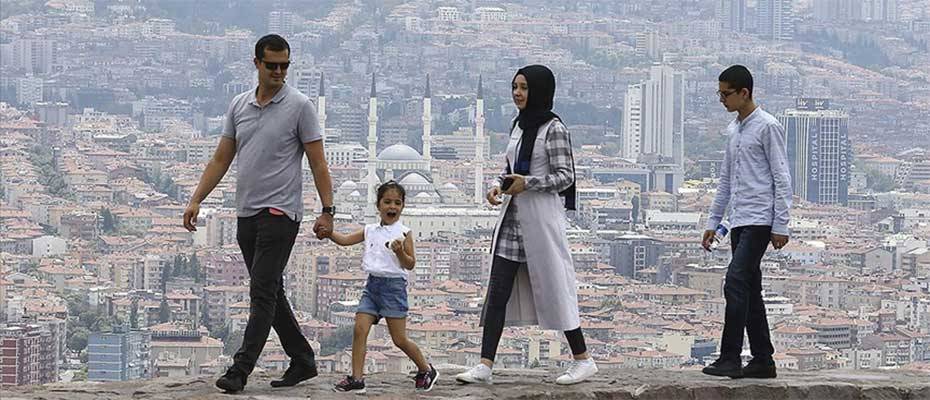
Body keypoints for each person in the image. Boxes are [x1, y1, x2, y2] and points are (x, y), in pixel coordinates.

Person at [182, 34, 336, 392]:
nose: (279, 72)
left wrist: (327, 211)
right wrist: (196, 199)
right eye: (272, 65)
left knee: (261, 292)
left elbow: (318, 162)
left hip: (281, 215)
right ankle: (302, 359)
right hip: (247, 214)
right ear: (257, 64)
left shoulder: (300, 106)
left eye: (284, 65)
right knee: (271, 291)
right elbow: (222, 158)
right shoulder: (239, 105)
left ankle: (240, 369)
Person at [455, 65, 597, 386]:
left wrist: (527, 183)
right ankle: (485, 364)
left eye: (524, 88)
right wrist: (498, 184)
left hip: (541, 221)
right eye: (514, 87)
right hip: (512, 219)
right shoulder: (518, 126)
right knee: (498, 292)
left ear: (539, 91)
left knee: (556, 287)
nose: (518, 93)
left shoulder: (554, 129)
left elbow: (566, 176)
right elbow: (508, 168)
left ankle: (583, 359)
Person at [701, 65, 792, 379]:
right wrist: (714, 221)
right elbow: (726, 179)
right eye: (720, 93)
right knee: (750, 288)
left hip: (760, 219)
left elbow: (782, 177)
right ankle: (763, 359)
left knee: (736, 282)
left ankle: (730, 357)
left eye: (726, 94)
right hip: (739, 219)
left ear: (744, 93)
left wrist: (781, 224)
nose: (722, 100)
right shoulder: (733, 130)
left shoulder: (767, 127)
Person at [323, 181, 438, 393]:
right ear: (378, 205)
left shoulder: (404, 232)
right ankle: (357, 379)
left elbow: (410, 264)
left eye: (397, 203)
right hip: (372, 285)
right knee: (359, 329)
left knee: (399, 339)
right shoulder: (370, 230)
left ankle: (425, 369)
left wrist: (399, 252)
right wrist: (328, 233)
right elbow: (346, 240)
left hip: (394, 288)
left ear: (403, 207)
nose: (392, 207)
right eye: (387, 202)